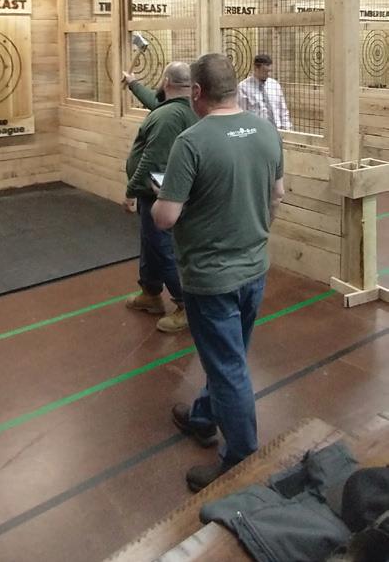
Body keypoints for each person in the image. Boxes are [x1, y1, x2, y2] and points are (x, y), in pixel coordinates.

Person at [152, 53, 285, 492]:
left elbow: (166, 217)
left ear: (197, 92)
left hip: (211, 279)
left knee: (228, 367)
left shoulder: (191, 141)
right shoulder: (266, 131)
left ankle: (241, 460)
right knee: (229, 357)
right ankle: (204, 417)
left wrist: (155, 199)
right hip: (254, 269)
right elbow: (277, 195)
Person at [122, 62, 197, 332]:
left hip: (158, 192)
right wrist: (133, 83)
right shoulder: (180, 109)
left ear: (166, 82)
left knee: (162, 247)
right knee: (151, 244)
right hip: (161, 191)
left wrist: (131, 191)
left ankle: (186, 305)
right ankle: (151, 293)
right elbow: (157, 104)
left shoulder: (167, 116)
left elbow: (151, 162)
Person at [238, 53, 292, 131]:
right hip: (257, 131)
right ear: (256, 68)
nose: (268, 74)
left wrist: (287, 129)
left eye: (270, 71)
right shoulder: (243, 87)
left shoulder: (275, 85)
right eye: (265, 71)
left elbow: (283, 110)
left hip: (277, 129)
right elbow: (242, 114)